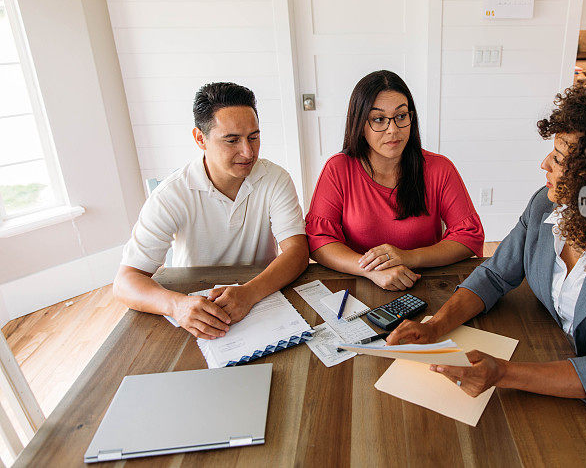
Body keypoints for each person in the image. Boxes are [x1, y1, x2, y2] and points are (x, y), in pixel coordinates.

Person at [387, 79, 586, 468]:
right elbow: (496, 276)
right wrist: (437, 325)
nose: (544, 165)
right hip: (551, 372)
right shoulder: (545, 206)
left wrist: (503, 372)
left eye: (560, 158)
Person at [113, 82, 309, 340]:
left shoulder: (275, 178)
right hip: (195, 304)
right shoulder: (171, 194)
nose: (248, 152)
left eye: (254, 136)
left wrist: (249, 293)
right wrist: (176, 305)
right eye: (232, 140)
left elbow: (297, 251)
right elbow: (126, 281)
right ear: (200, 139)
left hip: (261, 294)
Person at [305, 70, 484, 291]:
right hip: (358, 283)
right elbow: (319, 240)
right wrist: (371, 270)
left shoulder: (440, 168)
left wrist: (408, 257)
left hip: (426, 284)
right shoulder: (338, 169)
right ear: (360, 125)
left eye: (401, 116)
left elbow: (469, 237)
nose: (393, 130)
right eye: (379, 119)